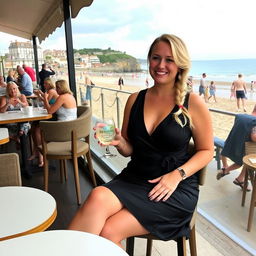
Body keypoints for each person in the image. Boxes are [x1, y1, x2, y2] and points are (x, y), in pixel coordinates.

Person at [68, 34, 213, 248]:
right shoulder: (135, 99)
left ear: (180, 65)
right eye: (156, 58)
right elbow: (130, 150)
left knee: (109, 231)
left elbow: (207, 150)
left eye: (169, 60)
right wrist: (119, 142)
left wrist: (176, 175)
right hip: (136, 178)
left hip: (174, 187)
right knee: (98, 195)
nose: (161, 65)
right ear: (149, 60)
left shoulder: (192, 102)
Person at [30, 79, 77, 166]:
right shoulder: (70, 96)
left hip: (63, 130)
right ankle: (37, 152)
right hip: (71, 128)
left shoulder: (62, 97)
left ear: (61, 88)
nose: (56, 90)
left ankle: (42, 156)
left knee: (37, 130)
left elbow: (50, 111)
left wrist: (45, 99)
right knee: (35, 126)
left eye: (57, 88)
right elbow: (55, 108)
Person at [216, 107, 256, 191]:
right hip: (242, 147)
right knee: (245, 161)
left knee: (226, 153)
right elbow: (254, 137)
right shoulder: (254, 121)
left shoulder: (241, 116)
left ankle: (226, 168)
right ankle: (236, 176)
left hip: (231, 143)